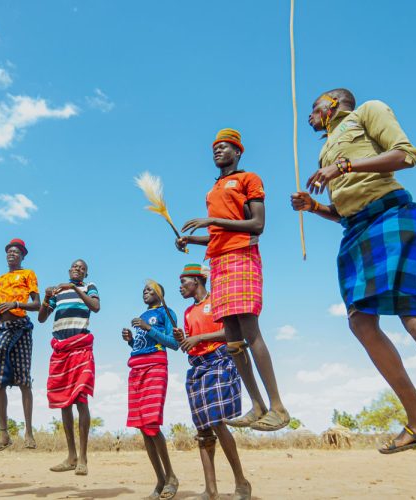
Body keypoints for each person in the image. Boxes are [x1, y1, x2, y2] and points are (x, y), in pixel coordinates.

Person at [290, 88, 416, 465]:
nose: (310, 116)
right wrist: (315, 207)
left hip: (392, 217)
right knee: (360, 322)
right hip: (356, 229)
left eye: (314, 108)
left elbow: (405, 156)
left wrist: (344, 166)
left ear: (334, 104)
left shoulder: (368, 111)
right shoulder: (325, 149)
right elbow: (346, 208)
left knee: (414, 318)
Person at [177, 128, 289, 431]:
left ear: (238, 152)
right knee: (233, 338)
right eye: (214, 147)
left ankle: (278, 406)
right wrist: (192, 239)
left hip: (243, 258)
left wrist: (212, 220)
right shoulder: (213, 189)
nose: (217, 151)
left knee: (251, 332)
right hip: (220, 263)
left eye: (224, 147)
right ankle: (257, 405)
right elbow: (218, 236)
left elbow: (257, 224)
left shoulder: (248, 178)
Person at [173, 263, 250, 500]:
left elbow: (234, 332)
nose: (180, 287)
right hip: (197, 367)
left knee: (217, 421)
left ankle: (241, 483)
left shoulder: (218, 300)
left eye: (183, 282)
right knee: (203, 429)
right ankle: (210, 490)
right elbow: (191, 344)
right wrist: (184, 340)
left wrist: (199, 337)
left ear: (196, 280)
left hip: (220, 361)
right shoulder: (187, 312)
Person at [0, 238, 40, 452]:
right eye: (9, 252)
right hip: (1, 328)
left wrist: (16, 303)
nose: (11, 254)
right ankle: (4, 434)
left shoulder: (28, 274)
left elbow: (37, 305)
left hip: (20, 327)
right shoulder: (1, 279)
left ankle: (28, 432)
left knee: (23, 379)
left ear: (23, 255)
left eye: (16, 252)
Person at [38, 259, 99, 476]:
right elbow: (42, 318)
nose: (78, 269)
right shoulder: (57, 292)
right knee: (64, 402)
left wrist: (74, 287)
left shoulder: (88, 287)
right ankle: (71, 456)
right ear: (69, 269)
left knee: (81, 400)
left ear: (85, 273)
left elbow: (96, 307)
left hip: (81, 347)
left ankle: (83, 458)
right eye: (75, 267)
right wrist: (46, 298)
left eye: (82, 268)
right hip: (61, 350)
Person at [122, 281, 179, 500]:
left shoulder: (166, 312)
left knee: (152, 423)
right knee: (142, 426)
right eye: (143, 289)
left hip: (155, 366)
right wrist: (131, 341)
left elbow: (173, 343)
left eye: (150, 289)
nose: (145, 292)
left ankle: (171, 476)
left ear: (160, 294)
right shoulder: (142, 314)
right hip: (136, 367)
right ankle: (161, 479)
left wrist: (148, 328)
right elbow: (142, 344)